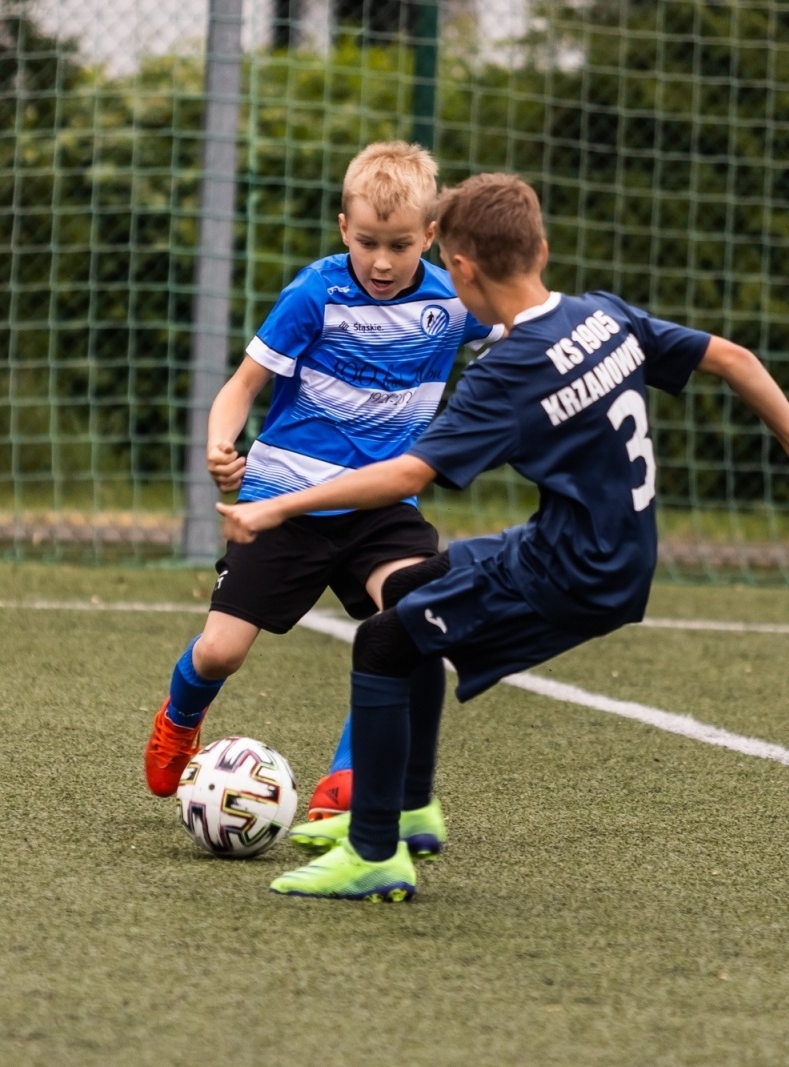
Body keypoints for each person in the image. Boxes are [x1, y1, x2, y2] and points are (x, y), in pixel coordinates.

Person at [217, 173, 789, 901]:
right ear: (541, 248)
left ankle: (373, 854)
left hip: (573, 571)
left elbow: (402, 477)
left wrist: (274, 508)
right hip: (600, 545)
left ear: (460, 269)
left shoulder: (511, 370)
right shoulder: (599, 315)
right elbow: (732, 357)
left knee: (383, 642)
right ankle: (413, 810)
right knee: (414, 594)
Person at [143, 142, 500, 814]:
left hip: (383, 507)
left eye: (401, 244)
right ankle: (180, 718)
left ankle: (346, 776)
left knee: (412, 616)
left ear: (431, 235)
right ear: (344, 229)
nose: (383, 261)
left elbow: (518, 320)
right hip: (283, 500)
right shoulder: (316, 292)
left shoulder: (456, 298)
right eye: (367, 242)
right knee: (220, 653)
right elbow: (242, 385)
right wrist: (221, 441)